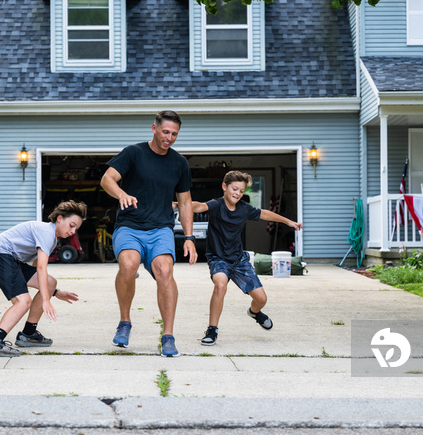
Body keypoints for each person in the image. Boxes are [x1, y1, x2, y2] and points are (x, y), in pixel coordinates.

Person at [100, 110, 197, 357]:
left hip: (160, 228)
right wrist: (122, 194)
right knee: (129, 265)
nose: (170, 138)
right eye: (166, 132)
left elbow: (185, 203)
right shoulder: (134, 153)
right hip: (130, 226)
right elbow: (107, 179)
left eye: (174, 134)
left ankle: (168, 336)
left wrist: (189, 237)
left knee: (165, 271)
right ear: (154, 128)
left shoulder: (179, 163)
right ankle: (124, 322)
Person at [187, 170, 302, 346]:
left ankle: (255, 313)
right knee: (220, 284)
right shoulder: (217, 205)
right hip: (218, 258)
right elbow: (199, 206)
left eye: (241, 191)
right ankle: (212, 329)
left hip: (239, 260)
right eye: (234, 189)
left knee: (261, 299)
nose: (238, 193)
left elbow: (265, 214)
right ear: (224, 187)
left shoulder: (244, 209)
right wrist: (179, 204)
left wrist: (289, 222)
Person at [0, 200, 87, 357]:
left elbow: (37, 269)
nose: (73, 231)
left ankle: (28, 333)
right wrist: (46, 300)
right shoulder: (46, 233)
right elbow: (42, 267)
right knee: (24, 301)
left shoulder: (51, 237)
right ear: (59, 218)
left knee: (50, 283)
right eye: (72, 225)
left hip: (9, 259)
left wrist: (54, 292)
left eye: (76, 228)